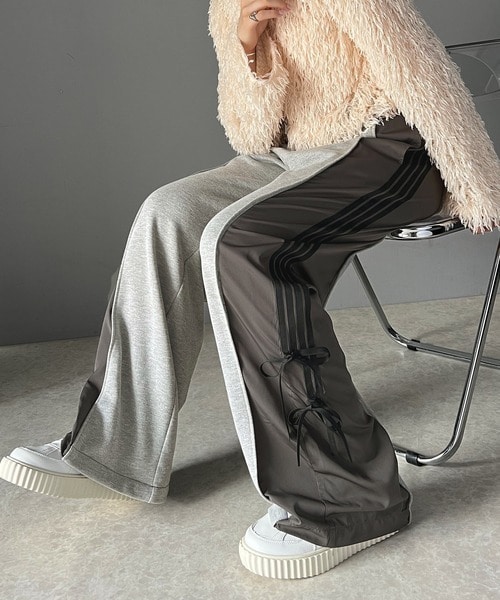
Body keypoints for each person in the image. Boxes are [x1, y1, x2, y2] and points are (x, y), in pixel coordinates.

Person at [1, 0, 499, 581]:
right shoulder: (229, 7)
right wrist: (250, 47)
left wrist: (476, 182)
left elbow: (421, 68)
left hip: (389, 149)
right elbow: (250, 133)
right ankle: (110, 447)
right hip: (296, 156)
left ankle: (352, 500)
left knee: (243, 244)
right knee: (168, 212)